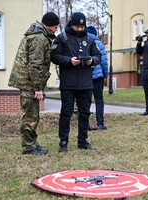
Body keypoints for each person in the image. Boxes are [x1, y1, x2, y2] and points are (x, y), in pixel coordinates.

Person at [8, 12, 59, 155]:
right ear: (48, 26)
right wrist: (38, 88)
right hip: (29, 83)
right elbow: (35, 66)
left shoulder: (37, 35)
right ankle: (28, 147)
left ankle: (32, 144)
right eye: (55, 27)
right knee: (29, 115)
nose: (56, 30)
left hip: (28, 81)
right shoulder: (39, 38)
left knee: (32, 114)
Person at [51, 12, 101, 152]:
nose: (80, 29)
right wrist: (69, 61)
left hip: (86, 83)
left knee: (85, 112)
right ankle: (63, 142)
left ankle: (83, 140)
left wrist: (92, 60)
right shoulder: (62, 38)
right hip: (68, 83)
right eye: (77, 26)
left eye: (82, 26)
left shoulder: (89, 39)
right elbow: (54, 56)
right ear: (71, 24)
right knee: (66, 113)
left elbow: (98, 55)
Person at [86, 26, 108, 131]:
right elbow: (103, 61)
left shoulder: (83, 41)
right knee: (99, 100)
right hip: (98, 76)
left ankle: (85, 124)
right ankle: (100, 123)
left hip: (86, 76)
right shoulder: (99, 44)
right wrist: (105, 74)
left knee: (86, 100)